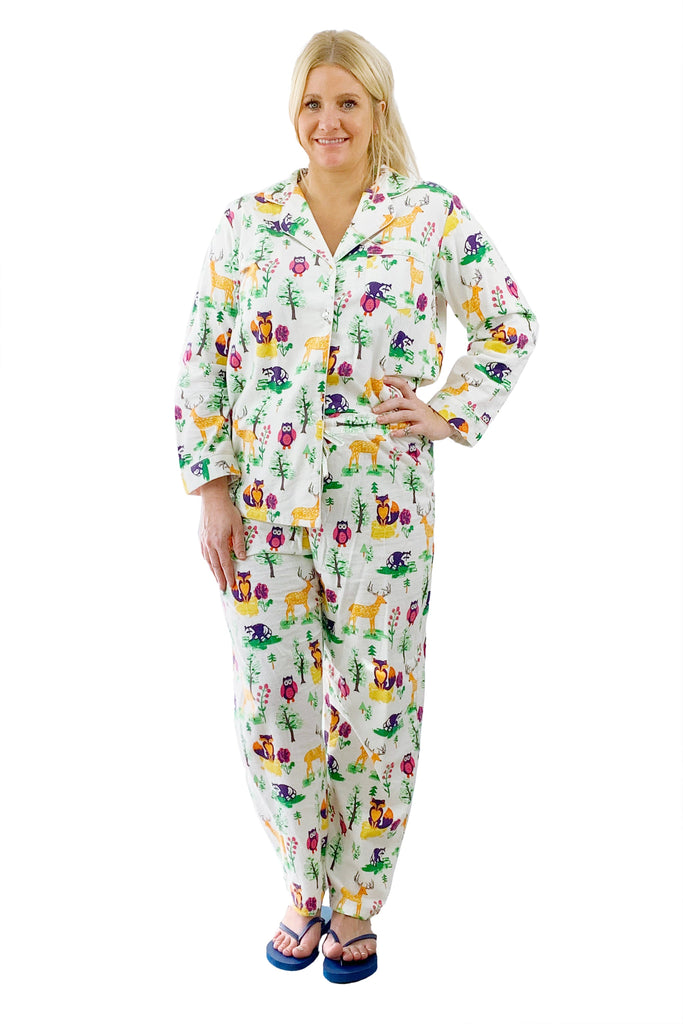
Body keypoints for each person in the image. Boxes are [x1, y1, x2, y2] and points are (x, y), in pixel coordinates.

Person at [174, 28, 537, 983]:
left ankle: (355, 899)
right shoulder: (248, 222)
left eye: (346, 102)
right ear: (292, 112)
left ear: (377, 111)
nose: (327, 121)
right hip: (262, 513)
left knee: (378, 704)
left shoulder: (428, 216)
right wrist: (212, 492)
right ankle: (302, 884)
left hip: (383, 512)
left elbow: (508, 323)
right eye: (312, 102)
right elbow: (204, 358)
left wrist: (449, 411)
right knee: (272, 707)